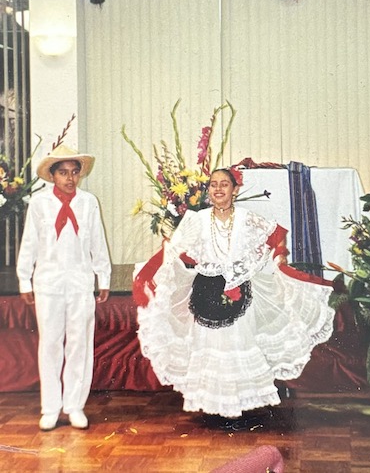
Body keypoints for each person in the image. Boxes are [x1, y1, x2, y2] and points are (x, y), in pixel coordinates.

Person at [134, 168, 334, 427]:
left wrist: (280, 257)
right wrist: (163, 263)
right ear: (209, 190)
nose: (218, 189)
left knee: (238, 342)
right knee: (212, 345)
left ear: (234, 189)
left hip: (241, 290)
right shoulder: (197, 219)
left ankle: (243, 406)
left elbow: (276, 237)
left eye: (224, 184)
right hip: (206, 292)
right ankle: (215, 407)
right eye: (214, 185)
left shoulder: (248, 219)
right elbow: (177, 250)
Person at [16, 144, 111, 431]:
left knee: (79, 344)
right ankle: (51, 408)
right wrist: (24, 278)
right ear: (52, 175)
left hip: (80, 283)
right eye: (63, 173)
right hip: (48, 283)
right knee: (51, 344)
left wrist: (102, 276)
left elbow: (97, 241)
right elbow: (30, 242)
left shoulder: (88, 202)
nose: (70, 178)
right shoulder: (39, 203)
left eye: (74, 172)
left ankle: (74, 406)